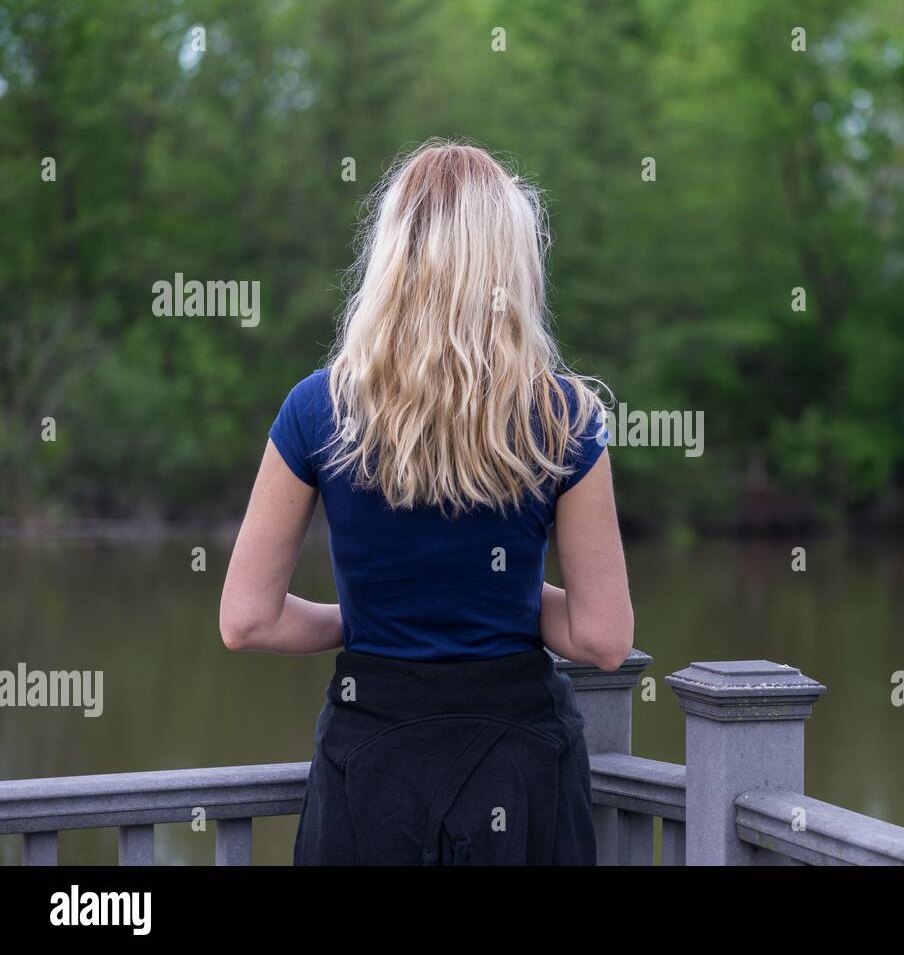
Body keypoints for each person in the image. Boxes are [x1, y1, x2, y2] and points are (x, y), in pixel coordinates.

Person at [218, 139, 634, 865]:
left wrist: (372, 612)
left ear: (390, 259)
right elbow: (603, 639)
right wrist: (492, 591)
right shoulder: (566, 416)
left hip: (369, 772)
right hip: (520, 769)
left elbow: (247, 619)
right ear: (511, 265)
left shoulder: (317, 410)